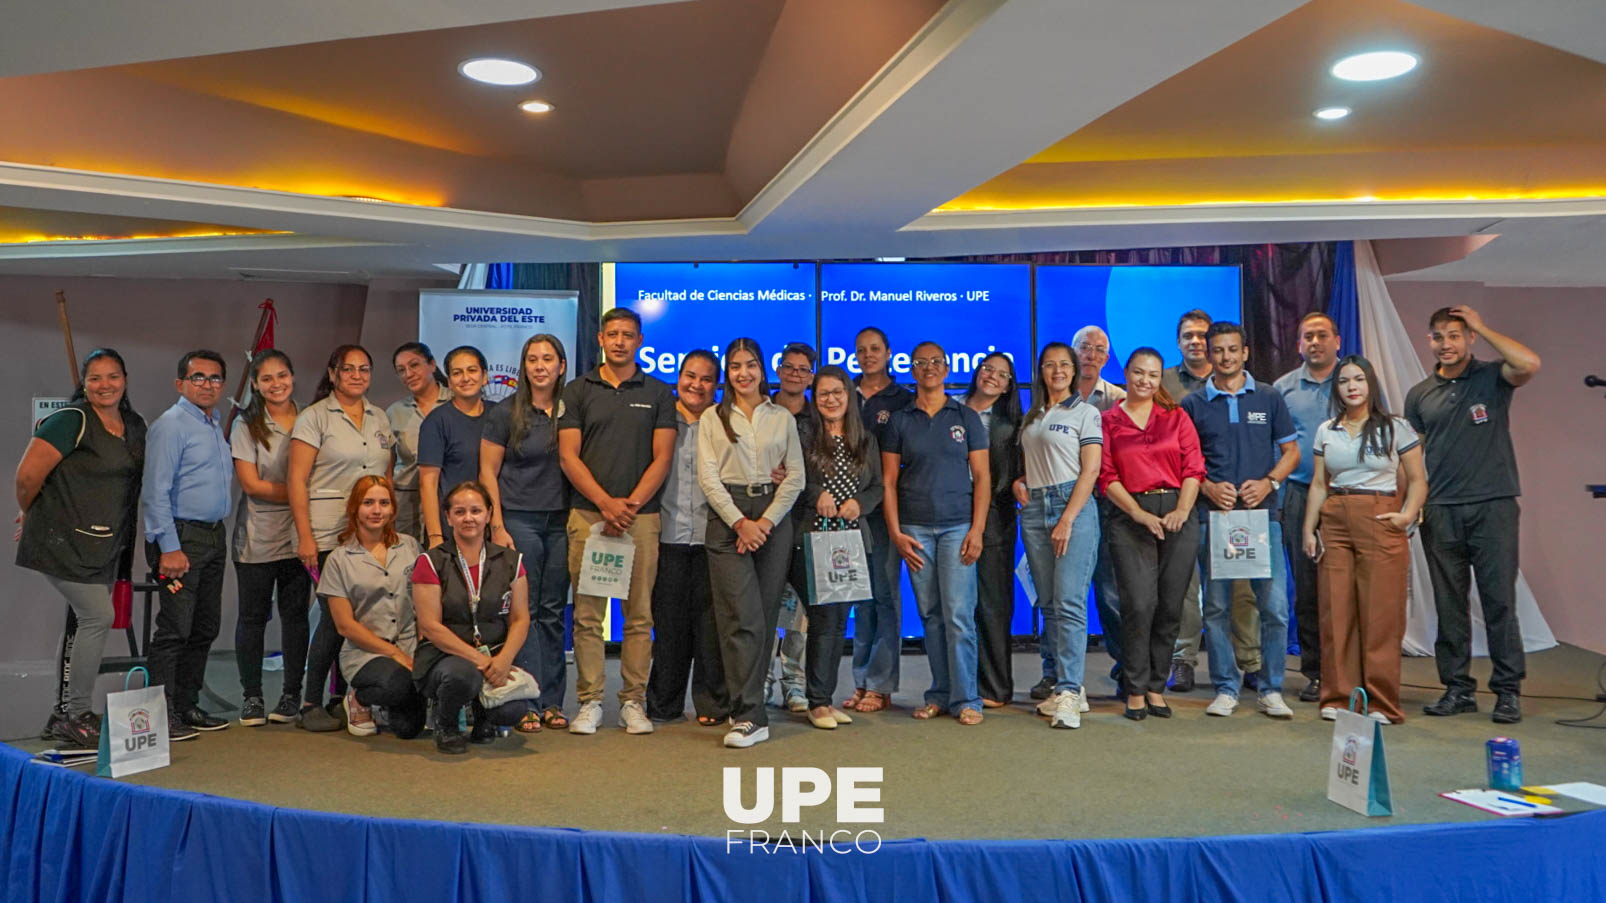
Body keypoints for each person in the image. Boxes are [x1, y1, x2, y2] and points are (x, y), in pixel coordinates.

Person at [1404, 305, 1540, 724]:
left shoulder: (1492, 377)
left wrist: (1481, 322)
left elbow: (1529, 363)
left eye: (1456, 336)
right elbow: (1411, 457)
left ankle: (1507, 691)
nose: (1447, 344)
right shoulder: (1420, 394)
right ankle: (1458, 689)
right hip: (1441, 510)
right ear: (1430, 341)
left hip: (1493, 505)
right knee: (1450, 605)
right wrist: (1409, 506)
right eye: (1439, 337)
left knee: (1499, 601)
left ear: (1470, 340)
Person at [15, 349, 147, 748]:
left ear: (125, 378)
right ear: (83, 383)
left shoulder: (134, 424)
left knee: (80, 623)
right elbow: (27, 478)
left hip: (104, 543)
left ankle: (61, 715)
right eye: (95, 378)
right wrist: (32, 515)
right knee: (96, 616)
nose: (104, 385)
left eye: (112, 376)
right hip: (61, 540)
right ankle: (77, 713)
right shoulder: (70, 420)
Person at [558, 307, 676, 735]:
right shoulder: (576, 391)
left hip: (640, 519)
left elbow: (663, 457)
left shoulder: (660, 392)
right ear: (601, 340)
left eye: (628, 335)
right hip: (589, 515)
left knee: (639, 615)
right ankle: (589, 702)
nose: (621, 341)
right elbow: (569, 456)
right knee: (588, 616)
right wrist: (606, 503)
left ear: (640, 341)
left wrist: (627, 506)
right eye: (613, 334)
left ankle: (633, 702)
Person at [1182, 322, 1300, 719]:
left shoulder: (1268, 397)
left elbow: (1291, 453)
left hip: (1263, 518)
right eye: (1218, 350)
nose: (1226, 357)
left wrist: (1269, 483)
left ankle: (1271, 688)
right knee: (1215, 609)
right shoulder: (1194, 404)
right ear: (1209, 355)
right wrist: (1208, 488)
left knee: (1275, 608)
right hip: (1213, 520)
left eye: (1233, 349)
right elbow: (1186, 463)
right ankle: (1225, 687)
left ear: (1245, 352)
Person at [1301, 356, 1426, 725]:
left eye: (1358, 379)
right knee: (1335, 611)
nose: (1352, 386)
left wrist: (1406, 514)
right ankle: (1338, 697)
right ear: (1336, 388)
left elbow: (1418, 480)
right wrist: (1309, 529)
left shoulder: (1395, 427)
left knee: (1380, 614)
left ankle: (1382, 703)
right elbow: (1319, 483)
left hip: (1380, 515)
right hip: (1336, 516)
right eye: (1344, 381)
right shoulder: (1328, 430)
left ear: (1371, 384)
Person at [698, 338, 804, 748]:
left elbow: (795, 476)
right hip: (729, 516)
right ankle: (747, 714)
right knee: (739, 617)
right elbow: (708, 479)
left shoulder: (781, 418)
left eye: (751, 365)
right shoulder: (713, 417)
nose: (744, 373)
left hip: (773, 516)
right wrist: (742, 522)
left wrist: (764, 522)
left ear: (763, 369)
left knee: (762, 615)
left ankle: (752, 706)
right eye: (736, 366)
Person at [288, 344, 394, 731]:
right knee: (335, 621)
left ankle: (342, 697)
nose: (356, 376)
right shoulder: (314, 418)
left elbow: (387, 478)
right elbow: (296, 480)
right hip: (327, 533)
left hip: (368, 531)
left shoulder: (380, 418)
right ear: (332, 374)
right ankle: (310, 701)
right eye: (347, 369)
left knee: (362, 616)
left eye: (364, 369)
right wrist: (304, 536)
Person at [883, 341, 989, 725]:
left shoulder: (966, 417)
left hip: (958, 526)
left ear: (947, 368)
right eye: (920, 362)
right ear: (911, 369)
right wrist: (895, 532)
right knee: (930, 615)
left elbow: (982, 477)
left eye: (936, 362)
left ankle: (967, 699)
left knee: (959, 615)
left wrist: (977, 529)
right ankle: (939, 694)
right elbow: (889, 482)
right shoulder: (900, 420)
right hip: (914, 530)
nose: (929, 368)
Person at [1099, 348, 1204, 720]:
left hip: (1178, 514)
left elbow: (1194, 468)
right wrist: (1140, 514)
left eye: (1154, 375)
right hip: (1130, 517)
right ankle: (1135, 688)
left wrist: (1182, 510)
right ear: (1126, 373)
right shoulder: (1108, 421)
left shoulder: (1175, 417)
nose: (1145, 380)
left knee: (1169, 606)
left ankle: (1157, 686)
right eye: (1139, 372)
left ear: (1161, 379)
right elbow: (1106, 476)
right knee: (1138, 605)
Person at [1163, 309, 1261, 693]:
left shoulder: (1243, 388)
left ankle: (1250, 660)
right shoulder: (1166, 383)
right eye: (1187, 335)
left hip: (1234, 506)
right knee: (1185, 588)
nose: (1195, 342)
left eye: (1202, 336)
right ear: (1178, 342)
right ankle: (1183, 659)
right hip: (1184, 503)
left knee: (1241, 588)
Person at [481, 334, 572, 733]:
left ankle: (553, 701)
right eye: (532, 359)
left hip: (563, 522)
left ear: (561, 366)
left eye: (547, 359)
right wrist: (497, 524)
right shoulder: (505, 412)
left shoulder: (573, 410)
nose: (540, 366)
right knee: (527, 612)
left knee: (554, 612)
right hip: (519, 520)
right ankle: (528, 701)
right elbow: (487, 471)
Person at [142, 349, 235, 740]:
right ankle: (159, 716)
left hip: (213, 535)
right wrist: (169, 546)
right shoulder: (172, 424)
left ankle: (185, 705)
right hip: (181, 538)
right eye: (198, 377)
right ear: (180, 383)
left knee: (203, 627)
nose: (207, 385)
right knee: (175, 629)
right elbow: (154, 491)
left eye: (214, 378)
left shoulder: (211, 424)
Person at [1014, 343, 1103, 729]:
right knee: (1047, 603)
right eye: (1049, 365)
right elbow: (1032, 462)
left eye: (1064, 364)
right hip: (1034, 508)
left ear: (1074, 370)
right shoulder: (1032, 414)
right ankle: (1061, 685)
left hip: (1073, 506)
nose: (1057, 371)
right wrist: (1020, 481)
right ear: (1041, 371)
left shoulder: (1085, 412)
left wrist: (1067, 517)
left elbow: (1091, 470)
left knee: (1069, 602)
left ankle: (1070, 689)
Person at [411, 481, 531, 754]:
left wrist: (503, 660)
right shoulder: (431, 561)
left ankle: (485, 718)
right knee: (463, 676)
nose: (468, 518)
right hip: (445, 658)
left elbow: (521, 619)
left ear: (489, 514)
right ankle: (447, 725)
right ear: (448, 517)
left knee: (514, 709)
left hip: (495, 654)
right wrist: (483, 662)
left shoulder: (512, 561)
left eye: (476, 511)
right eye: (460, 511)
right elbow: (429, 626)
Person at [645, 350, 728, 725]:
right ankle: (664, 703)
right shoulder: (659, 420)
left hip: (714, 538)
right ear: (677, 377)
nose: (696, 385)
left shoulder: (725, 423)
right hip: (669, 536)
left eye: (706, 379)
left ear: (717, 386)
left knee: (712, 629)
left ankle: (711, 705)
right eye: (690, 376)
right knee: (669, 626)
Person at [794, 365, 880, 730]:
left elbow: (877, 487)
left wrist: (860, 503)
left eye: (837, 392)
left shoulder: (866, 440)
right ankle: (814, 701)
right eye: (824, 393)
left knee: (835, 622)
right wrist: (818, 495)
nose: (830, 399)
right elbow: (793, 480)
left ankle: (823, 700)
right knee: (819, 618)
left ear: (849, 395)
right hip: (809, 538)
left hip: (849, 542)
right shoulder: (803, 434)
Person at [229, 350, 309, 727]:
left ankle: (292, 694)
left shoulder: (313, 417)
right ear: (256, 385)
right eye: (267, 379)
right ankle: (252, 696)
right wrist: (300, 491)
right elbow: (251, 485)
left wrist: (302, 496)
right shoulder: (246, 425)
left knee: (296, 617)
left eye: (283, 375)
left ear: (293, 377)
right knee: (253, 618)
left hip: (302, 535)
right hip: (257, 538)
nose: (276, 384)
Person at [319, 476, 426, 739]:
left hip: (410, 646)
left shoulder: (410, 546)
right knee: (399, 685)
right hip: (365, 652)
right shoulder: (338, 560)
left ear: (393, 509)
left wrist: (423, 647)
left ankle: (390, 704)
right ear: (354, 508)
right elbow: (345, 625)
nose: (377, 511)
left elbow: (423, 602)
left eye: (383, 503)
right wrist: (393, 653)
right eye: (368, 503)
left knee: (409, 729)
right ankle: (359, 699)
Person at [1274, 312, 1341, 703]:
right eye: (1307, 337)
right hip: (1298, 495)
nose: (1314, 342)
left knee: (1346, 588)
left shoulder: (1354, 382)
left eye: (1321, 335)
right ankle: (1316, 672)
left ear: (1336, 339)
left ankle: (1349, 669)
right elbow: (1276, 448)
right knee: (1308, 590)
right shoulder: (1282, 389)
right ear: (1298, 344)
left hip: (1348, 495)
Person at [844, 326, 911, 714]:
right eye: (861, 350)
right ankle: (860, 679)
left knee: (886, 596)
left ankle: (881, 684)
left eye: (874, 349)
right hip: (847, 512)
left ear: (888, 352)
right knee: (860, 599)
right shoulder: (845, 393)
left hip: (886, 511)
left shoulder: (902, 400)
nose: (868, 355)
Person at [960, 351, 1022, 708]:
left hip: (995, 519)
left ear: (1009, 384)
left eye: (1002, 373)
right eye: (988, 369)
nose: (993, 376)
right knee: (955, 608)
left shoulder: (1012, 423)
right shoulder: (951, 409)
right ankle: (959, 685)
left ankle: (995, 687)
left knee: (992, 604)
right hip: (950, 513)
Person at [768, 342, 816, 712]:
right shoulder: (761, 411)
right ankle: (765, 679)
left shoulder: (820, 417)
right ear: (779, 370)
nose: (795, 374)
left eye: (803, 369)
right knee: (766, 606)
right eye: (789, 367)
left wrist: (798, 476)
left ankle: (794, 683)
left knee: (800, 613)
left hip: (807, 522)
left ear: (811, 376)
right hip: (765, 520)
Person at [419, 345, 488, 549]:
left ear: (485, 376)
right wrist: (435, 536)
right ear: (449, 382)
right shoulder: (436, 421)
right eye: (457, 373)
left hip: (490, 525)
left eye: (472, 370)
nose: (465, 378)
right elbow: (427, 483)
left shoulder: (499, 415)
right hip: (451, 528)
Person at [386, 343, 450, 542]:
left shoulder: (456, 402)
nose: (408, 374)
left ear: (432, 364)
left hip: (450, 496)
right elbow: (387, 467)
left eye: (414, 365)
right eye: (401, 370)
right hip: (407, 502)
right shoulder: (394, 412)